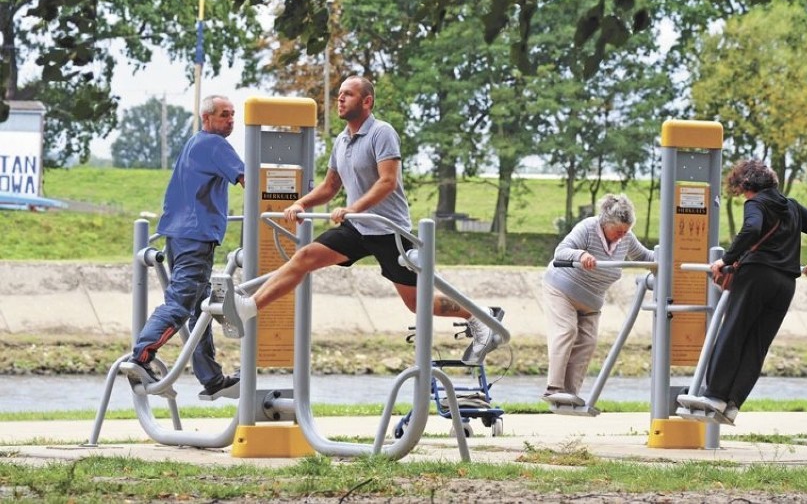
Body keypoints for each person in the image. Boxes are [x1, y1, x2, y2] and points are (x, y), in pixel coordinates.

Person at [228, 75, 504, 365]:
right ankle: (250, 307)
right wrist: (302, 202)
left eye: (348, 94)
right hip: (357, 228)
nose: (341, 99)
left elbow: (387, 182)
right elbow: (331, 186)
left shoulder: (382, 133)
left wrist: (352, 208)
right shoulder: (342, 140)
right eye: (339, 95)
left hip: (389, 230)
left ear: (367, 102)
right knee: (305, 256)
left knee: (416, 304)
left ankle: (482, 315)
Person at [678, 158, 807, 424]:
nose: (742, 195)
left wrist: (725, 260)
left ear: (747, 184)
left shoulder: (756, 203)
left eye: (741, 190)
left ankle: (714, 396)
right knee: (757, 344)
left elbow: (752, 228)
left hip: (757, 277)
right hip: (785, 284)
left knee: (733, 332)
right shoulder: (791, 206)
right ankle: (733, 404)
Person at [121, 95, 245, 400]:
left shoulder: (194, 143)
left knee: (199, 308)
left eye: (233, 115)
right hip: (196, 235)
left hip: (178, 234)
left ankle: (212, 379)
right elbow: (250, 180)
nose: (231, 121)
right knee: (180, 304)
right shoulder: (215, 145)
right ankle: (141, 357)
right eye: (224, 115)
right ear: (207, 118)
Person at [541, 194, 654, 408]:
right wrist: (581, 255)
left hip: (592, 300)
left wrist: (667, 258)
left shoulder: (626, 238)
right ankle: (553, 388)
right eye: (618, 231)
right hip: (561, 289)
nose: (622, 236)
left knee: (588, 342)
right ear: (606, 223)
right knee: (567, 331)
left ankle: (569, 394)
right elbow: (561, 252)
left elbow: (645, 257)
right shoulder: (588, 227)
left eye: (625, 231)